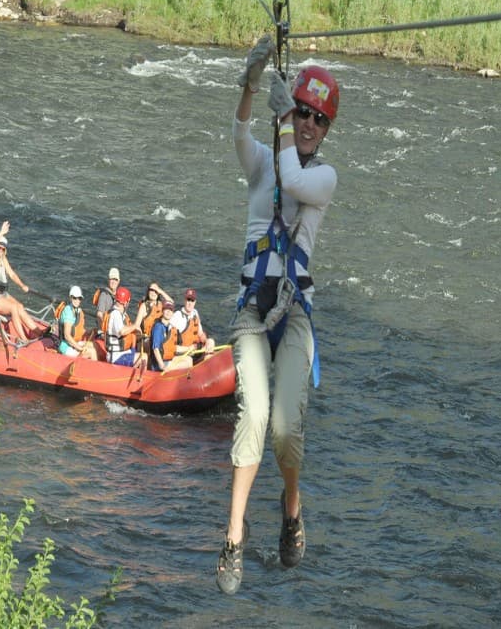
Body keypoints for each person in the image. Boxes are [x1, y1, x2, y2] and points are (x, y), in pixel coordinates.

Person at [216, 35, 339, 595]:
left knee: (287, 431)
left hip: (295, 315)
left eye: (317, 118)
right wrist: (250, 82)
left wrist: (285, 116)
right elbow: (241, 134)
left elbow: (293, 178)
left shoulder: (323, 178)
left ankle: (292, 509)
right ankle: (235, 536)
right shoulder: (263, 162)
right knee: (253, 419)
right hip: (251, 312)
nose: (309, 124)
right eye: (303, 113)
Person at [0, 220, 44, 341]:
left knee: (19, 306)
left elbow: (12, 274)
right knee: (13, 308)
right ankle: (24, 339)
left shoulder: (3, 260)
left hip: (3, 294)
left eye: (2, 249)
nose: (0, 250)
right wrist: (1, 232)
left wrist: (22, 285)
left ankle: (38, 331)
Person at [105, 285, 145, 369]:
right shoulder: (115, 314)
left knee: (140, 351)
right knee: (144, 357)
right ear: (126, 302)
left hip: (122, 352)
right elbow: (121, 331)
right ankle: (135, 378)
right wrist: (135, 325)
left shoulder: (122, 314)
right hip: (116, 356)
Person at [57, 285, 99, 360]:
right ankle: (94, 370)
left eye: (79, 298)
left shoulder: (77, 310)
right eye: (74, 298)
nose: (77, 300)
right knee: (91, 351)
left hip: (74, 343)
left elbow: (79, 330)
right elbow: (67, 336)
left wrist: (90, 331)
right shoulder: (68, 311)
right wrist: (79, 348)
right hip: (66, 347)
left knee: (94, 345)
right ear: (70, 298)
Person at [148, 300, 192, 372]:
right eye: (166, 309)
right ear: (162, 311)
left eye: (170, 310)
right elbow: (155, 349)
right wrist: (162, 365)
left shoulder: (169, 327)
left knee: (189, 359)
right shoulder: (158, 327)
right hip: (159, 365)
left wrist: (189, 348)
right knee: (187, 364)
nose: (168, 312)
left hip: (167, 360)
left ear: (173, 313)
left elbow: (173, 347)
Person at [170, 287, 216, 355]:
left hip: (195, 351)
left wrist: (207, 341)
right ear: (184, 300)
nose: (190, 303)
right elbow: (170, 344)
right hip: (183, 354)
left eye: (192, 300)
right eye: (188, 300)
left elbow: (200, 334)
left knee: (211, 342)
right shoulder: (177, 316)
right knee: (189, 360)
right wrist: (188, 349)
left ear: (195, 302)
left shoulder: (195, 313)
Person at [95, 267, 121, 332]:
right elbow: (99, 314)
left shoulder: (119, 296)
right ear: (108, 280)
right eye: (111, 279)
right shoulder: (104, 295)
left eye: (115, 279)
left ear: (119, 281)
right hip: (106, 331)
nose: (113, 282)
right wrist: (102, 330)